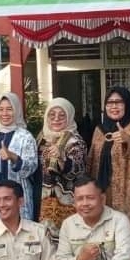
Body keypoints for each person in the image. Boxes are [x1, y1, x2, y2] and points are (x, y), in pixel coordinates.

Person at [87, 86, 130, 228]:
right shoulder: (99, 130)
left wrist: (128, 140)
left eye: (119, 102)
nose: (114, 106)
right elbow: (91, 161)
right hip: (104, 193)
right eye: (110, 103)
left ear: (127, 104)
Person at [37, 98, 87, 241]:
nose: (56, 119)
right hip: (43, 200)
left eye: (62, 115)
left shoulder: (75, 141)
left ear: (69, 116)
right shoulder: (41, 138)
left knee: (66, 241)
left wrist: (62, 159)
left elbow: (78, 168)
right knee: (43, 242)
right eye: (52, 115)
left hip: (65, 201)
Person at [0, 93, 38, 220]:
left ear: (17, 110)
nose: (5, 114)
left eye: (9, 109)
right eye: (1, 109)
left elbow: (31, 168)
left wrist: (13, 157)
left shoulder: (25, 137)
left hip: (17, 196)